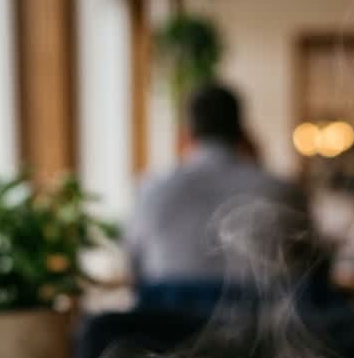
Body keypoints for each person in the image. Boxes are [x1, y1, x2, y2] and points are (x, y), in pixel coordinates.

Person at [126, 83, 310, 309]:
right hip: (261, 338)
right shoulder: (282, 190)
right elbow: (306, 272)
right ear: (242, 133)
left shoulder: (149, 191)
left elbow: (136, 276)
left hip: (164, 336)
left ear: (185, 135)